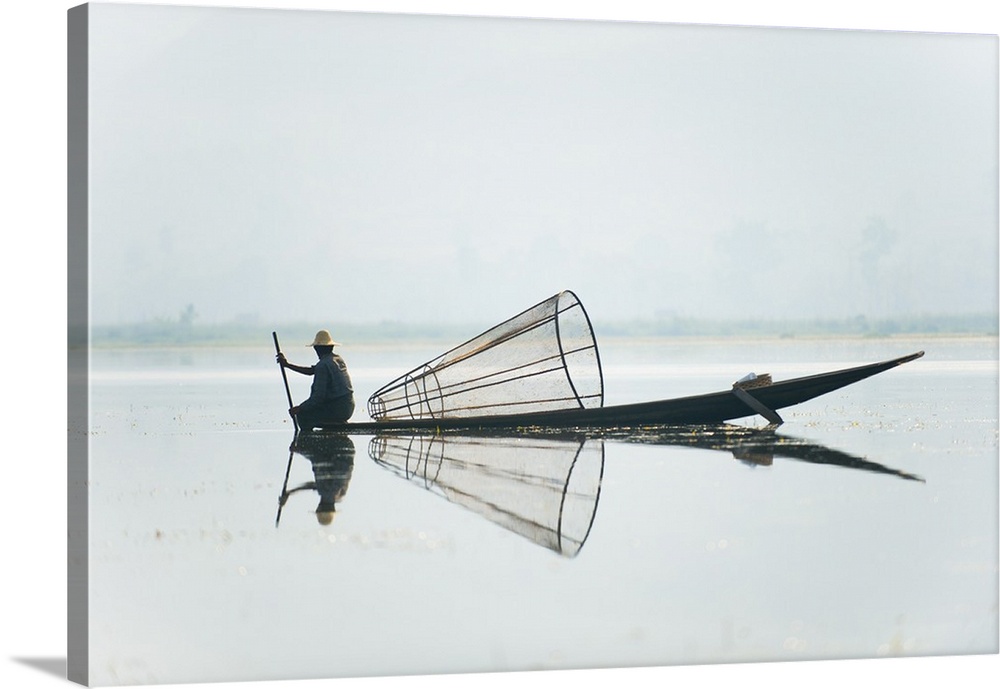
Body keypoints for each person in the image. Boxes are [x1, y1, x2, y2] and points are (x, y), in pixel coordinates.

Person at [277, 329, 355, 431]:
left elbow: (318, 398)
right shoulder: (337, 359)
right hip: (348, 407)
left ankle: (307, 442)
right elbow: (311, 371)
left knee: (303, 415)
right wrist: (287, 365)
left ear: (317, 349)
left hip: (338, 409)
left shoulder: (323, 365)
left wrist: (299, 408)